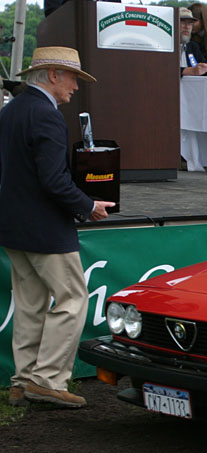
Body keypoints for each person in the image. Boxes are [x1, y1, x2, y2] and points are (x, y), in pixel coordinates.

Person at [0, 47, 115, 408]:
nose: (75, 87)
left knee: (31, 303)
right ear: (52, 75)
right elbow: (53, 180)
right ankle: (47, 379)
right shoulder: (46, 116)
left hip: (12, 225)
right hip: (45, 227)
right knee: (72, 299)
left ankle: (22, 382)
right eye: (72, 78)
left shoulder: (11, 110)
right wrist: (88, 205)